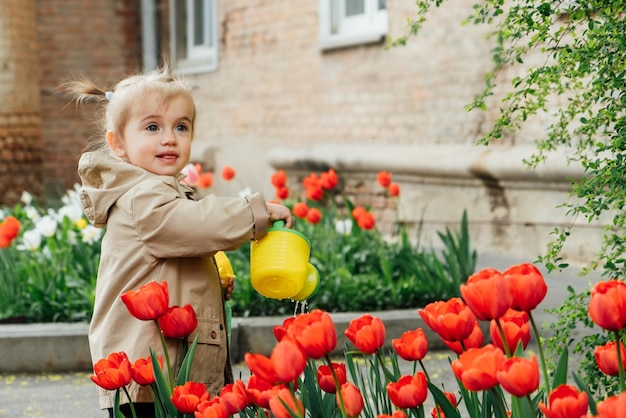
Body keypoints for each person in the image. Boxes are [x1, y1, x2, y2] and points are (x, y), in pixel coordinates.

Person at [64, 65, 293, 417]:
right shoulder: (142, 196)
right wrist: (254, 214)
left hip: (166, 367)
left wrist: (208, 285)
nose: (169, 138)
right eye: (152, 127)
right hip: (146, 373)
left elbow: (173, 256)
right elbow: (195, 225)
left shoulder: (165, 192)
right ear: (118, 144)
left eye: (181, 126)